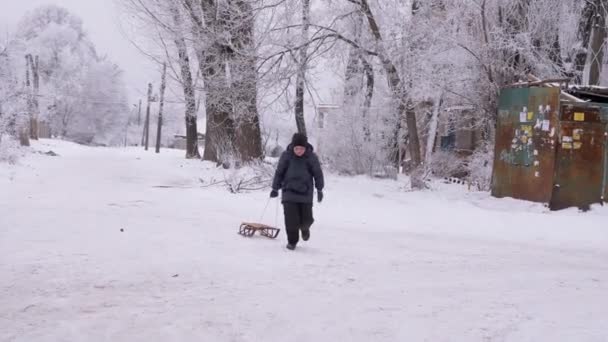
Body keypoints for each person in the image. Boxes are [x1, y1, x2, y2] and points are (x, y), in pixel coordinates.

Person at [270, 133, 324, 250]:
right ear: (293, 147)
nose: (299, 151)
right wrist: (275, 188)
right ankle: (292, 241)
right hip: (289, 192)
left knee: (307, 219)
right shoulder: (286, 156)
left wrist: (319, 189)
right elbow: (279, 172)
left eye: (301, 149)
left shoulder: (311, 157)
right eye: (296, 148)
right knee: (291, 219)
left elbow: (318, 174)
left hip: (305, 193)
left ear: (305, 148)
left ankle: (305, 228)